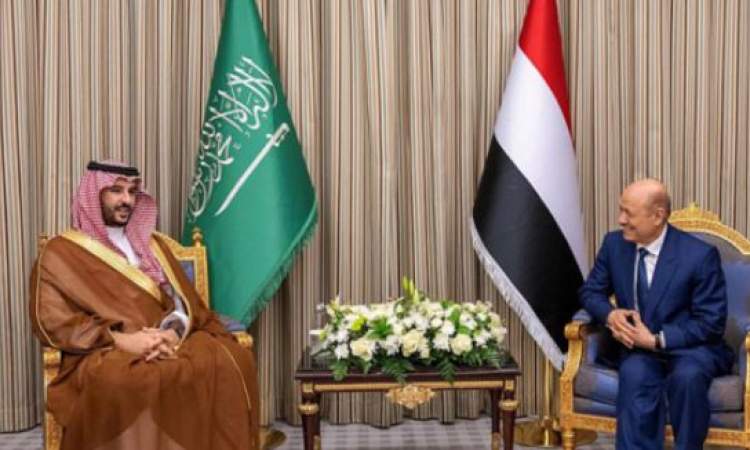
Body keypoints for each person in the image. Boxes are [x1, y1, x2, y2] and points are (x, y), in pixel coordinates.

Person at [29, 160, 260, 450]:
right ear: (94, 193)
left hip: (168, 339)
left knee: (227, 359)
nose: (126, 200)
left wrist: (172, 332)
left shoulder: (153, 246)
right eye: (116, 190)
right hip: (105, 347)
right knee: (124, 380)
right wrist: (125, 341)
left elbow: (183, 302)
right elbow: (53, 321)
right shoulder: (61, 252)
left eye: (132, 191)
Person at [580, 179, 733, 450]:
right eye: (621, 210)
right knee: (635, 374)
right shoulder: (614, 245)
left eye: (628, 213)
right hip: (637, 351)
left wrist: (656, 340)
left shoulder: (699, 256)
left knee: (687, 378)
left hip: (691, 348)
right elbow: (591, 292)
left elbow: (711, 322)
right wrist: (610, 315)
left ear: (658, 216)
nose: (620, 219)